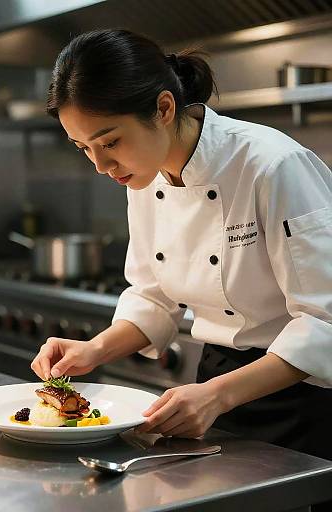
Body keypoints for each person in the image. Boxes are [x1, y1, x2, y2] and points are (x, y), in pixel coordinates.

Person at [30, 28, 332, 489]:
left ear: (164, 108)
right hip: (215, 380)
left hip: (302, 395)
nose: (100, 165)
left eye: (109, 142)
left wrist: (216, 397)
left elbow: (323, 321)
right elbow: (152, 296)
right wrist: (95, 349)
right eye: (83, 148)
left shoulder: (272, 165)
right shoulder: (145, 173)